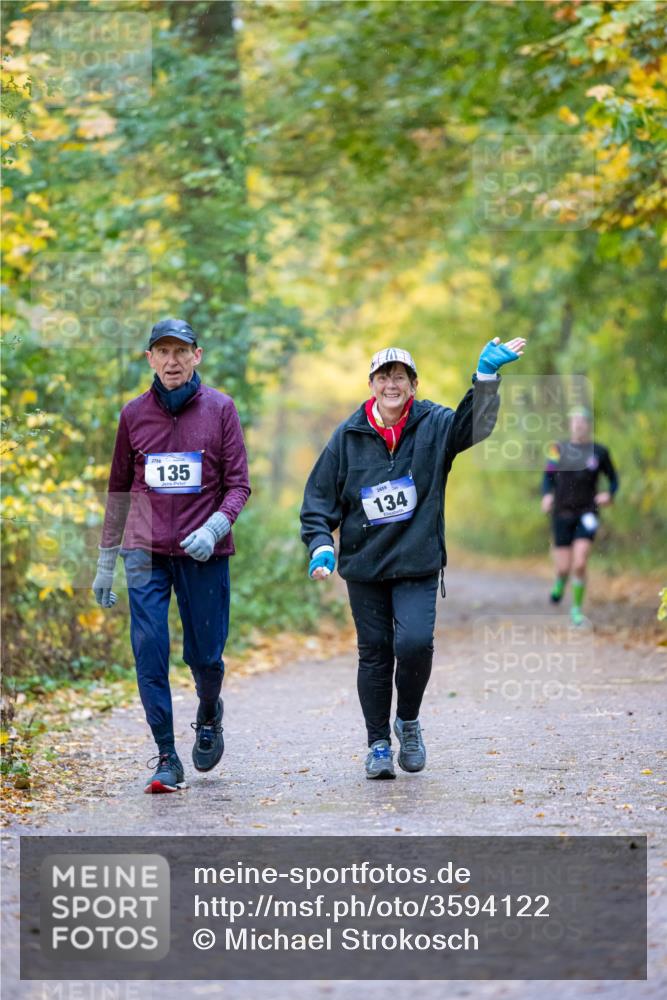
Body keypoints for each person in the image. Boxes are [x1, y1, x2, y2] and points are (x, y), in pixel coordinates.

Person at [300, 338, 526, 779]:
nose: (392, 384)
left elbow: (474, 427)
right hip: (365, 565)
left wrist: (486, 378)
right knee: (375, 653)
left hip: (417, 560)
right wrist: (321, 543)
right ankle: (378, 745)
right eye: (383, 377)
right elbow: (318, 501)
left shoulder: (434, 424)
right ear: (371, 385)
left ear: (413, 384)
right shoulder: (348, 436)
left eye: (400, 377)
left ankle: (407, 720)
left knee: (415, 643)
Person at [92, 318, 250, 793]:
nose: (172, 360)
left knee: (206, 656)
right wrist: (105, 562)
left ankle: (209, 711)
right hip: (144, 551)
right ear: (150, 359)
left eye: (181, 351)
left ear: (197, 356)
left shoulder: (221, 409)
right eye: (162, 351)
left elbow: (239, 486)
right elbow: (119, 489)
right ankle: (166, 755)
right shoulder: (133, 414)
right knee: (148, 650)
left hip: (204, 553)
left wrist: (215, 527)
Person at [541, 406, 618, 627]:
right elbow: (547, 476)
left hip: (587, 512)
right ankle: (559, 582)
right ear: (570, 424)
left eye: (582, 421)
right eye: (575, 420)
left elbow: (613, 479)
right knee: (564, 567)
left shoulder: (600, 452)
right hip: (561, 513)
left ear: (588, 425)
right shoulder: (557, 448)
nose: (578, 424)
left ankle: (576, 611)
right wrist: (547, 495)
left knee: (580, 563)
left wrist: (609, 494)